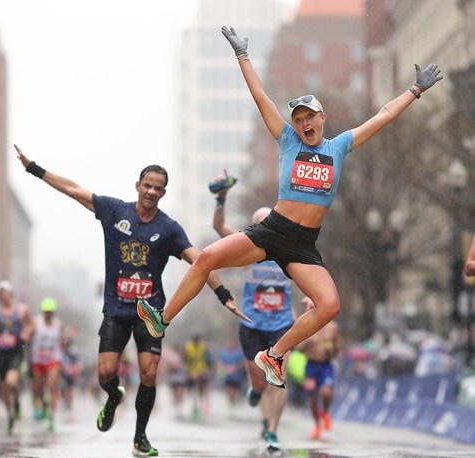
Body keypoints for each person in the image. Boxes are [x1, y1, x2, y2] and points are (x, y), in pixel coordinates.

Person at [137, 27, 443, 390]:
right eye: (298, 120)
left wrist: (415, 90)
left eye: (308, 117)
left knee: (329, 306)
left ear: (322, 118)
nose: (303, 124)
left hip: (302, 245)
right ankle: (162, 318)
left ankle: (275, 355)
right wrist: (242, 56)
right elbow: (260, 96)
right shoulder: (286, 141)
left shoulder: (339, 146)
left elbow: (383, 115)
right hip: (272, 230)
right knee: (205, 259)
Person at [15, 144, 244, 457]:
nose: (151, 191)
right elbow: (73, 190)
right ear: (138, 186)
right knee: (106, 372)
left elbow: (202, 260)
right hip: (116, 311)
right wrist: (35, 169)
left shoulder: (169, 229)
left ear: (163, 193)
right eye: (147, 185)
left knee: (149, 373)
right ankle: (113, 397)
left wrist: (223, 294)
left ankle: (140, 436)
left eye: (158, 188)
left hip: (150, 314)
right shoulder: (114, 211)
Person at [211, 179, 294, 451]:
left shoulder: (290, 251)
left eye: (270, 223)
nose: (266, 229)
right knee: (260, 382)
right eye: (260, 224)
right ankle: (257, 393)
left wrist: (311, 296)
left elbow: (314, 274)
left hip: (282, 324)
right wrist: (221, 199)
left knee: (277, 379)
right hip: (252, 325)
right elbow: (219, 228)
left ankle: (272, 433)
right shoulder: (247, 250)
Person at [0, 280, 33, 434]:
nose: (3, 296)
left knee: (11, 382)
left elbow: (32, 325)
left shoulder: (21, 310)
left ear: (11, 294)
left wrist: (27, 332)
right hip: (1, 354)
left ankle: (17, 401)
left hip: (16, 351)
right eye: (0, 293)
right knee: (3, 388)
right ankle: (10, 415)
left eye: (5, 292)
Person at [297, 296, 342, 440]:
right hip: (310, 366)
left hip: (326, 365)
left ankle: (326, 413)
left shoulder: (333, 327)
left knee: (327, 393)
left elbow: (339, 346)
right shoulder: (305, 325)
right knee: (313, 397)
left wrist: (333, 349)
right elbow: (297, 349)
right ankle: (317, 425)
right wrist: (306, 344)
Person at [30, 297, 64, 432]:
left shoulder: (59, 324)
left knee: (52, 386)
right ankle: (42, 405)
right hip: (38, 360)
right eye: (46, 312)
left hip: (53, 360)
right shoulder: (35, 322)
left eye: (50, 312)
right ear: (42, 312)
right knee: (38, 389)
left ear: (54, 312)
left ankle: (51, 417)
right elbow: (29, 334)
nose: (48, 314)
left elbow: (62, 341)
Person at [184, 335, 213, 421]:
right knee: (193, 390)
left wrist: (208, 370)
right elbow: (185, 359)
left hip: (202, 371)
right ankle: (195, 407)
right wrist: (187, 371)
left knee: (203, 389)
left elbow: (209, 359)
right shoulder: (188, 347)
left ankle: (203, 405)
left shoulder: (203, 346)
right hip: (192, 372)